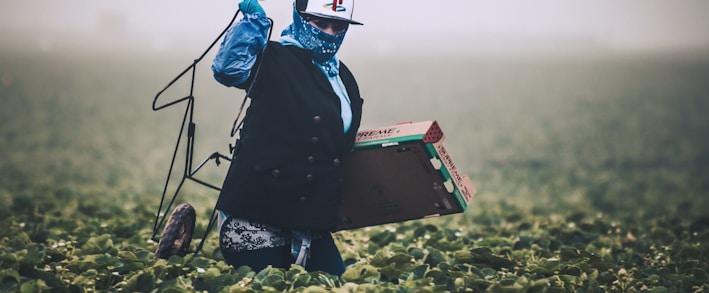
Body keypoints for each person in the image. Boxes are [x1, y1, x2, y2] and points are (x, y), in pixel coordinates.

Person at [211, 0, 364, 276]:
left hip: (309, 221)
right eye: (320, 23)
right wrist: (253, 24)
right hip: (257, 215)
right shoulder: (274, 58)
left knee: (336, 280)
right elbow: (228, 69)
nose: (329, 33)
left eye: (338, 26)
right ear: (300, 18)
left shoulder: (342, 77)